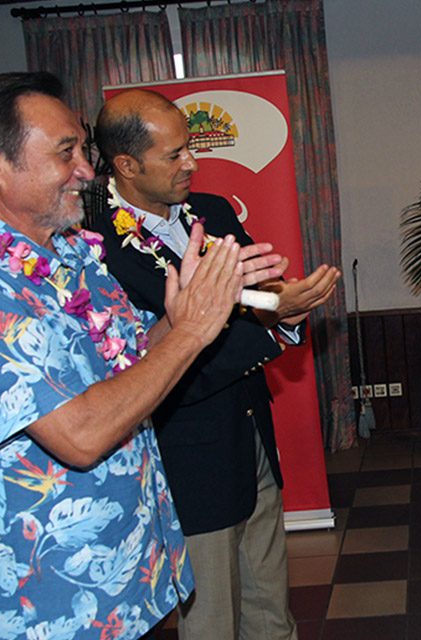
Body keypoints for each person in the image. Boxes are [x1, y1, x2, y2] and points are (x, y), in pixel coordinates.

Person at [0, 72, 283, 639]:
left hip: (134, 575)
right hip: (48, 602)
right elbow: (79, 436)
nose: (87, 169)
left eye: (83, 149)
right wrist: (191, 333)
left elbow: (133, 365)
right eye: (66, 153)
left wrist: (180, 318)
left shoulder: (77, 257)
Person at [89, 89, 340, 640]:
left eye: (190, 148)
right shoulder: (96, 247)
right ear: (127, 166)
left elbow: (255, 295)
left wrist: (283, 303)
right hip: (187, 455)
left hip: (250, 429)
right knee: (211, 618)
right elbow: (153, 360)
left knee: (271, 608)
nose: (192, 164)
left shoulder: (214, 212)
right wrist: (274, 324)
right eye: (174, 155)